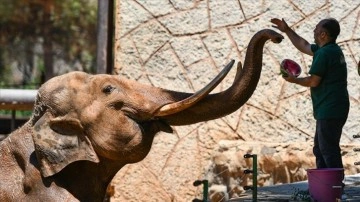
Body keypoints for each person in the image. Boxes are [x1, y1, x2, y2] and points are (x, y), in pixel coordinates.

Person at [270, 18, 349, 170]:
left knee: (328, 150)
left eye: (316, 29)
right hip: (333, 108)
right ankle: (324, 186)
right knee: (320, 149)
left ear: (323, 34)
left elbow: (313, 81)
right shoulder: (331, 50)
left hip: (330, 109)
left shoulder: (325, 53)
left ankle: (335, 187)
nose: (314, 31)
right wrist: (287, 30)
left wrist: (294, 80)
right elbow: (304, 45)